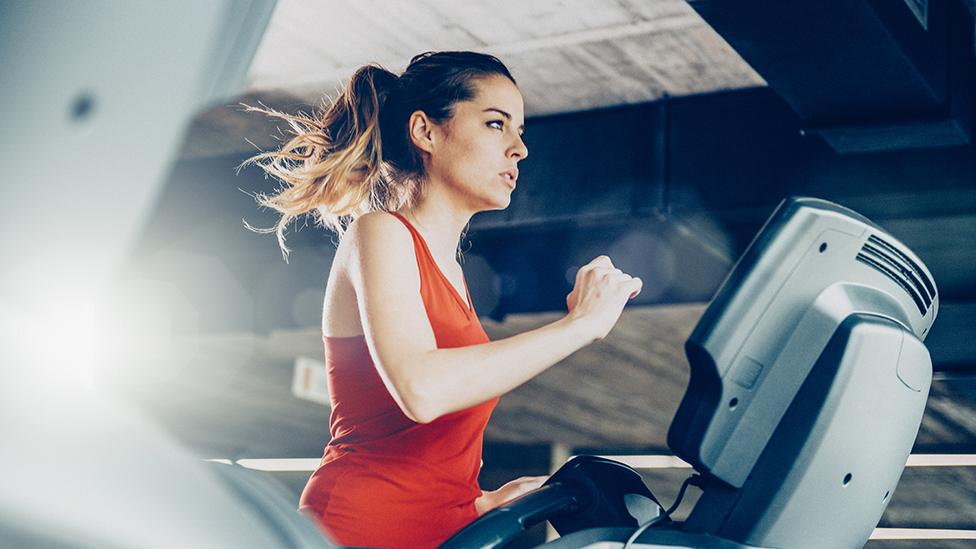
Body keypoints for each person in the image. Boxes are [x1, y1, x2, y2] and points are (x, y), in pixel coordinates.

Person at [240, 51, 642, 548]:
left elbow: (429, 454)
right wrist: (579, 324)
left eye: (520, 131)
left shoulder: (450, 271)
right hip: (363, 524)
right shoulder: (380, 233)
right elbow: (421, 391)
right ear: (426, 132)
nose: (519, 149)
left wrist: (482, 501)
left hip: (441, 529)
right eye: (497, 124)